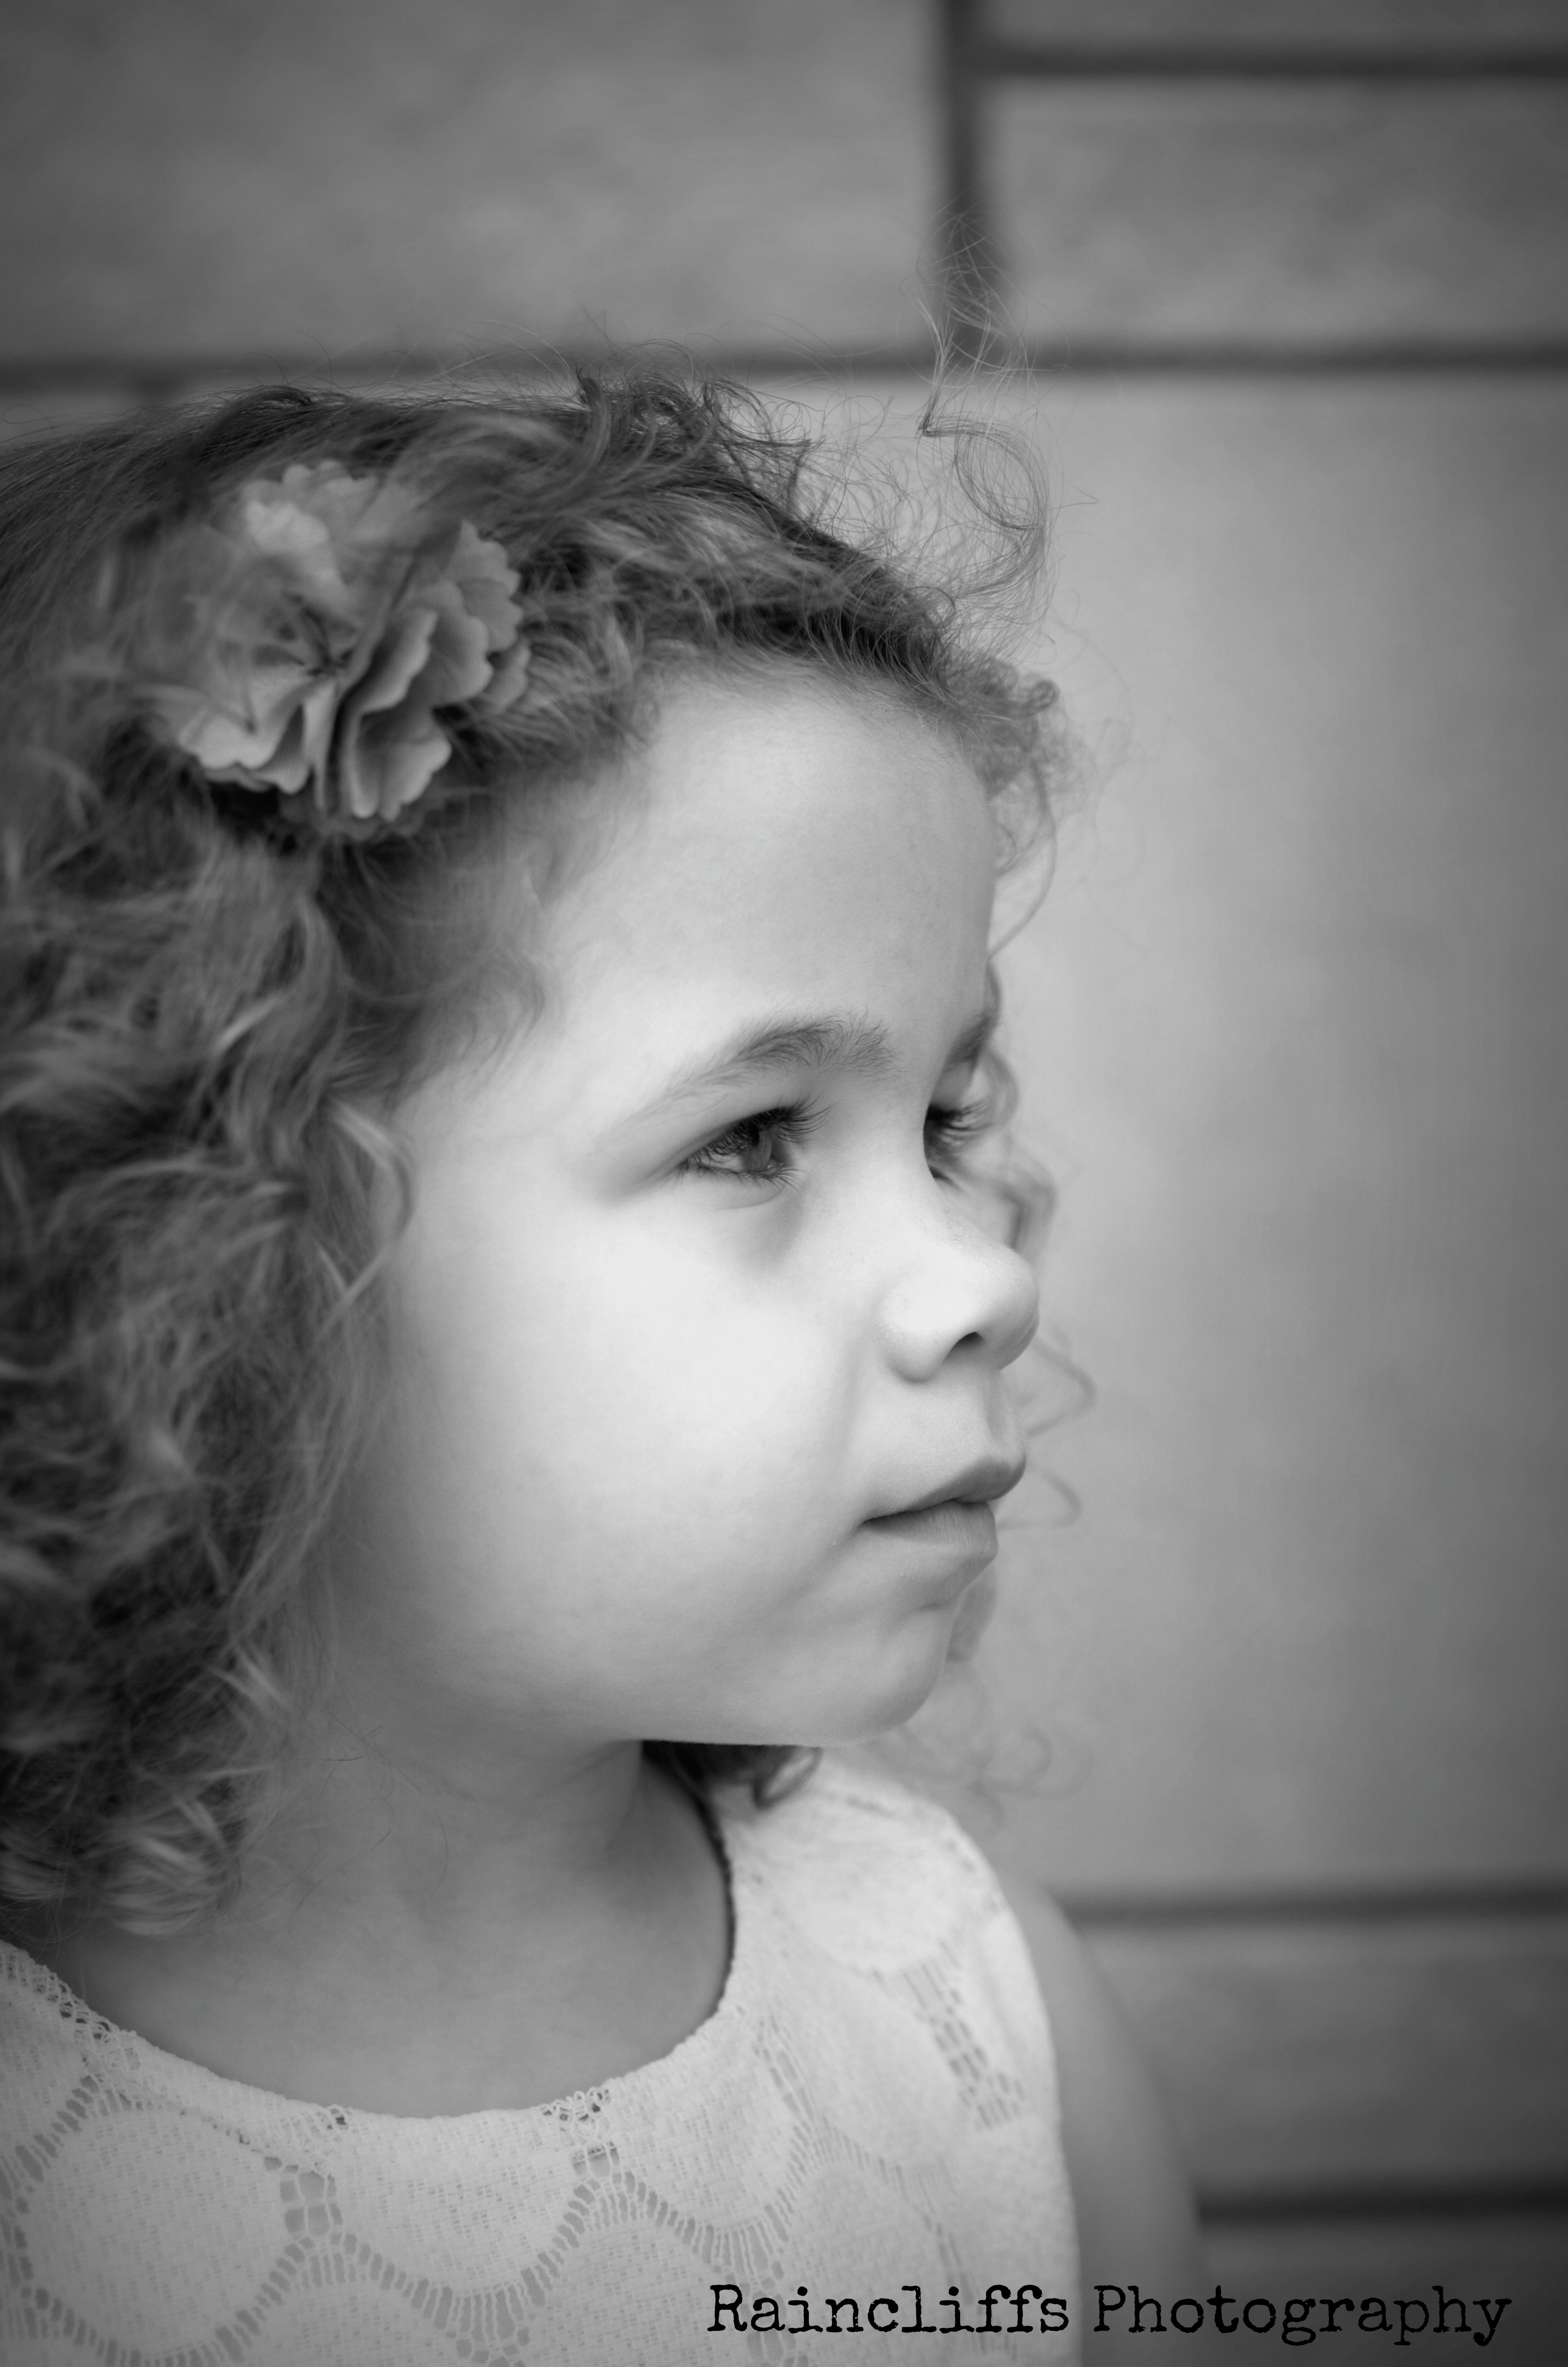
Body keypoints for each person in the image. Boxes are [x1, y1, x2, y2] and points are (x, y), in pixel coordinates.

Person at [0, 371, 1198, 2363]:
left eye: (946, 1118)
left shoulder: (973, 2022)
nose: (979, 1272)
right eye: (753, 1137)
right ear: (201, 1249)